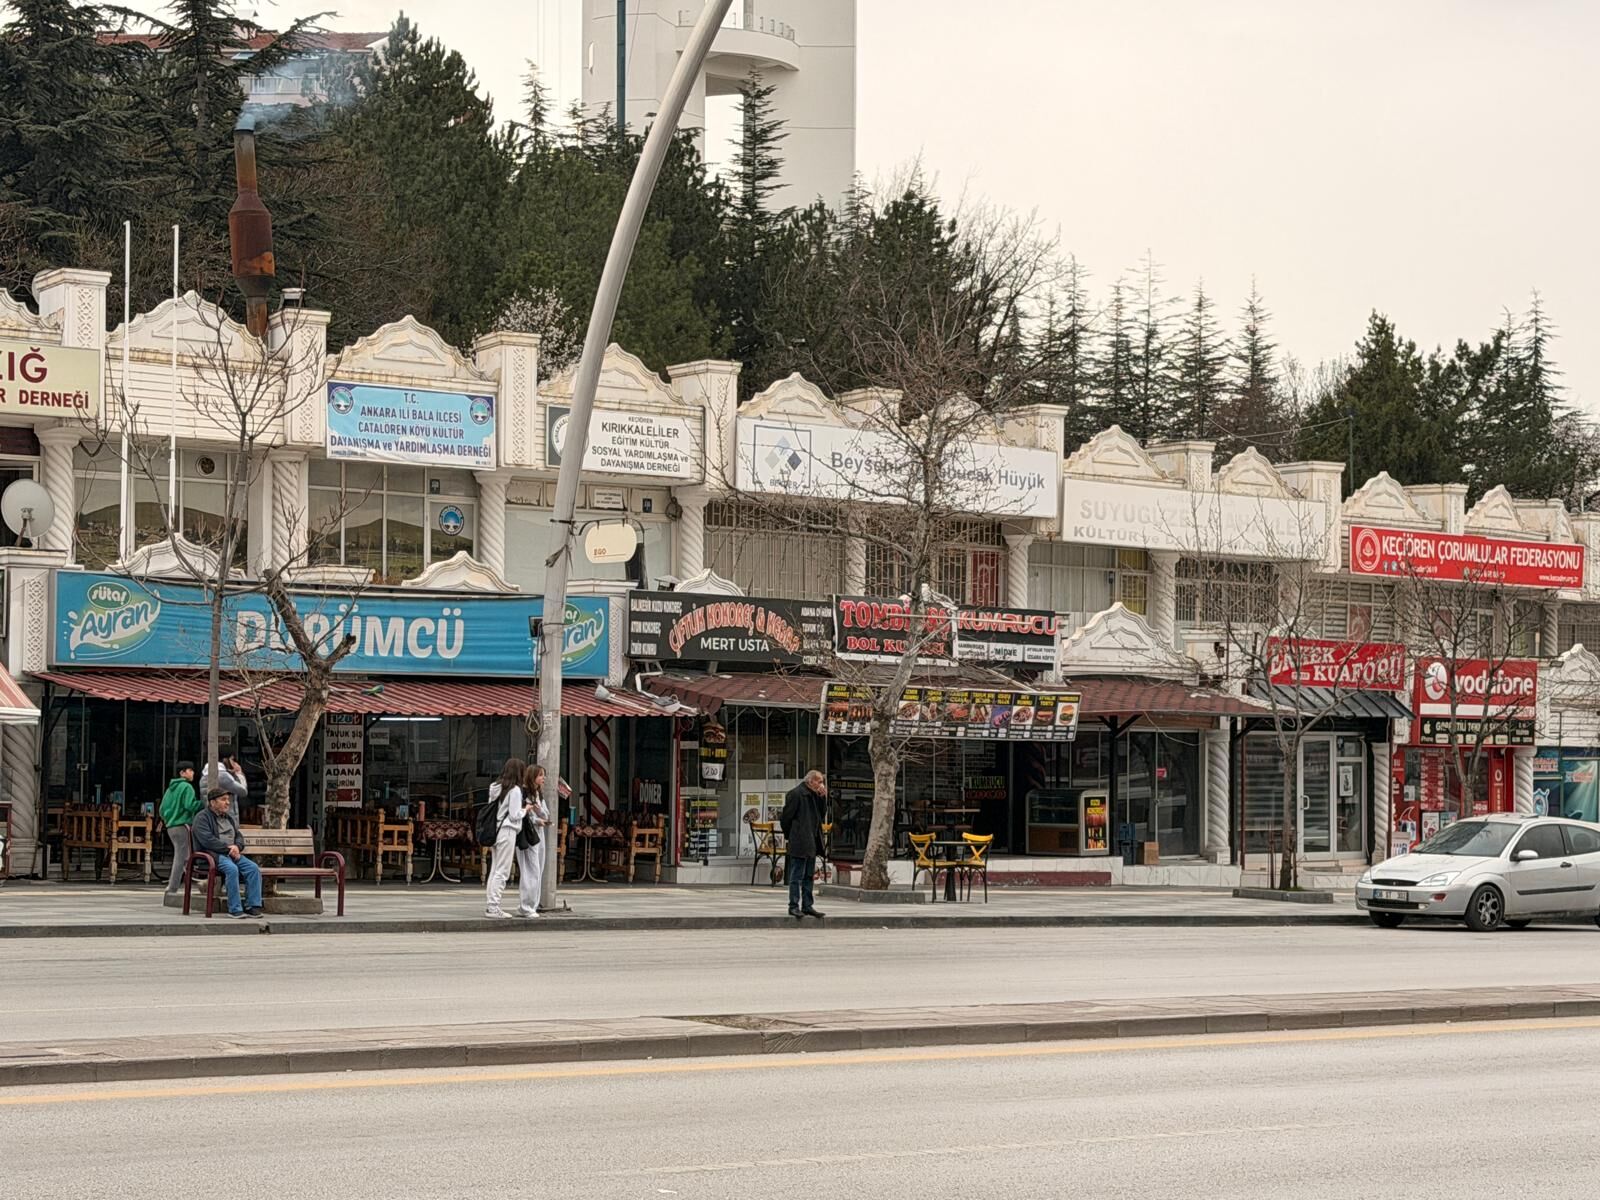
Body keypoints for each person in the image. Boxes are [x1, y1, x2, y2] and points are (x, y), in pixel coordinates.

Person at [190, 789, 263, 919]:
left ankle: (253, 906)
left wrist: (237, 846)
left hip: (231, 854)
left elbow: (239, 836)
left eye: (228, 799)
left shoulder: (228, 818)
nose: (227, 803)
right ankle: (234, 908)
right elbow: (207, 840)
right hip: (212, 855)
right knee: (232, 869)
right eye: (223, 800)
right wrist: (228, 849)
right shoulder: (202, 818)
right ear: (213, 802)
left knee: (253, 868)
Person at [484, 757, 532, 919]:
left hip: (495, 830)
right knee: (503, 871)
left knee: (495, 869)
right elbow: (514, 815)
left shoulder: (495, 787)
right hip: (508, 831)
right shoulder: (515, 790)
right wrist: (526, 810)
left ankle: (491, 904)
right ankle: (493, 907)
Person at [780, 769, 827, 920]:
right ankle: (793, 906)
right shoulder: (796, 794)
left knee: (808, 875)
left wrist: (822, 798)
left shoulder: (815, 795)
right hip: (800, 839)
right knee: (797, 875)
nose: (821, 784)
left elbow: (821, 814)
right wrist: (792, 834)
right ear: (810, 781)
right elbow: (785, 818)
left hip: (812, 839)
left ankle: (807, 905)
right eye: (819, 782)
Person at [158, 761, 202, 907]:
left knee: (182, 855)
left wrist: (168, 819)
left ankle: (188, 883)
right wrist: (202, 804)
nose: (192, 773)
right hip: (183, 824)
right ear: (182, 773)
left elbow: (161, 809)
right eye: (190, 770)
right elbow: (190, 805)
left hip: (171, 826)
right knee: (182, 856)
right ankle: (173, 887)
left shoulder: (170, 789)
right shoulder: (187, 787)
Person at [517, 764, 554, 918]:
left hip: (538, 834)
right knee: (530, 869)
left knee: (538, 867)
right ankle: (527, 905)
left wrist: (538, 812)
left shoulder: (538, 794)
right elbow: (522, 814)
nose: (543, 778)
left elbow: (545, 814)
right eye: (540, 775)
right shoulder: (522, 792)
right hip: (527, 833)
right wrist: (535, 818)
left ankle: (532, 903)